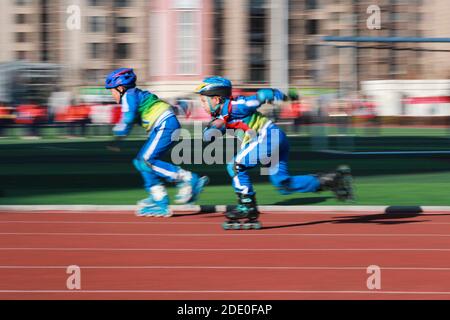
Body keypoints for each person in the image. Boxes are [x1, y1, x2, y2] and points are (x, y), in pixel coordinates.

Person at [195, 76, 353, 230]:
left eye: (203, 101)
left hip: (268, 137)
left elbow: (261, 96)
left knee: (235, 166)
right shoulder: (224, 114)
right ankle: (330, 180)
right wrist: (212, 130)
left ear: (216, 99)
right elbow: (219, 126)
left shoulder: (237, 105)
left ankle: (247, 205)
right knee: (284, 184)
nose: (202, 105)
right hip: (276, 139)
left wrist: (284, 95)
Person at [105, 68, 208, 217]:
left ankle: (188, 179)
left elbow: (128, 118)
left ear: (120, 88)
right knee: (140, 162)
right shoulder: (138, 94)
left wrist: (118, 134)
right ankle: (158, 198)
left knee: (146, 161)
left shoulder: (128, 95)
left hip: (164, 125)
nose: (111, 94)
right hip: (165, 125)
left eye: (111, 90)